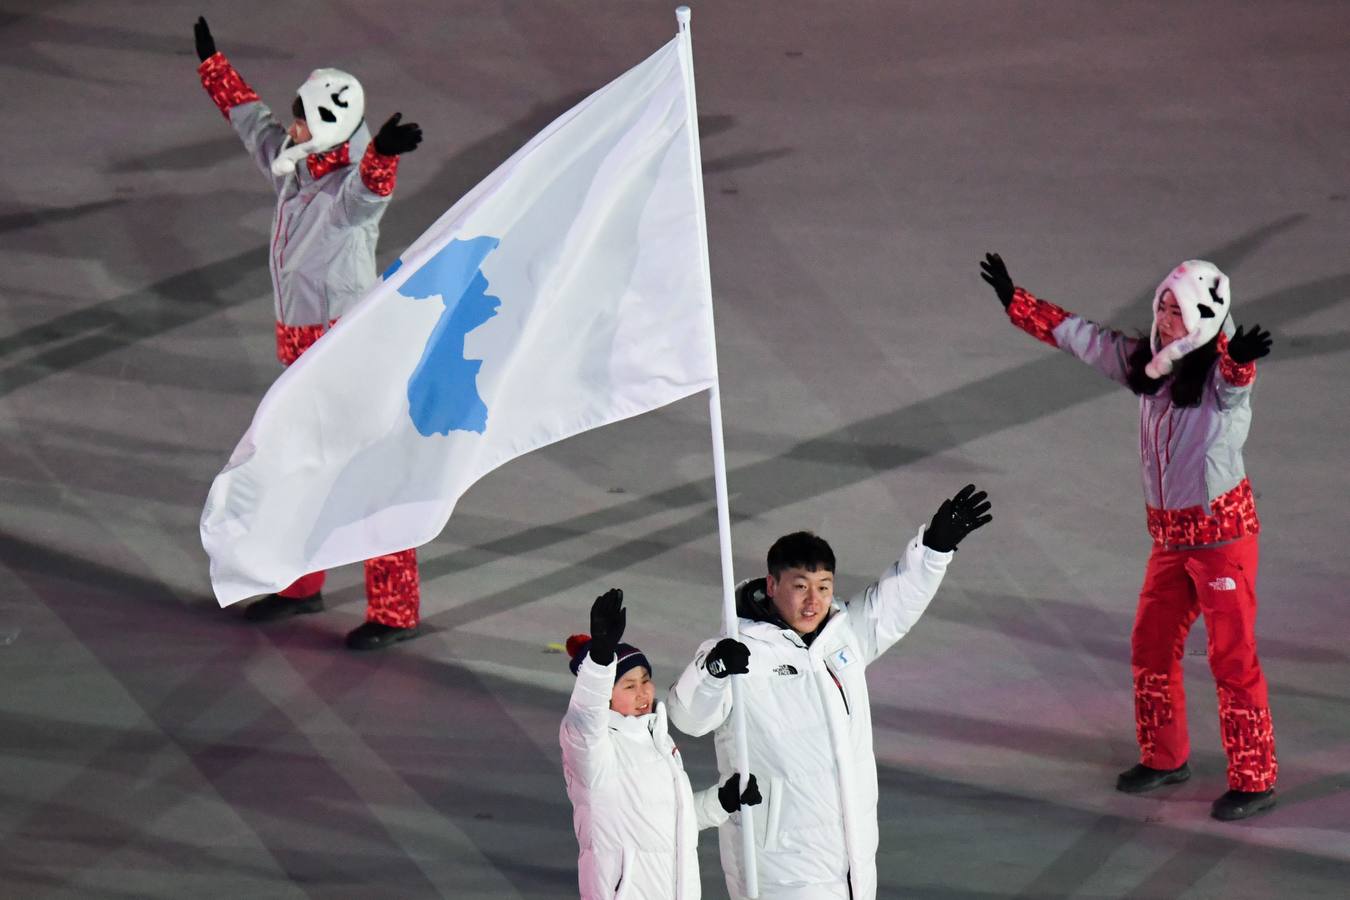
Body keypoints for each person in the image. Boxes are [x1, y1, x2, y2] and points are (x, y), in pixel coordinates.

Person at [980, 252, 1277, 821]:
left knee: (1231, 657)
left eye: (1179, 309)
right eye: (1162, 305)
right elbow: (1083, 338)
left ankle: (1255, 775)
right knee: (1150, 645)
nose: (1166, 318)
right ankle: (1164, 757)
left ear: (1203, 318)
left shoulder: (1217, 373)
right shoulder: (1148, 364)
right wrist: (1018, 302)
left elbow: (1237, 387)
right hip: (1170, 541)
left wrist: (1238, 362)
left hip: (1221, 538)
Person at [193, 16, 424, 650]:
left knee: (368, 470)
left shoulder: (346, 189)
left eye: (302, 117)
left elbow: (369, 195)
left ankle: (396, 609)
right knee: (298, 467)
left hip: (342, 348)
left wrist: (382, 156)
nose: (291, 126)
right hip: (300, 347)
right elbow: (254, 124)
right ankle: (301, 585)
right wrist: (215, 67)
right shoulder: (295, 164)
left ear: (327, 125)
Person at [667, 487, 992, 900]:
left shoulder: (842, 638)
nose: (813, 601)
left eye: (823, 587)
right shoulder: (739, 650)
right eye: (800, 586)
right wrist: (712, 671)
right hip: (780, 870)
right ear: (771, 584)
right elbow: (688, 718)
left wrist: (934, 548)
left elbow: (892, 605)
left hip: (853, 861)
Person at [561, 589, 762, 900]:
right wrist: (600, 659)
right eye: (629, 685)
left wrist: (721, 801)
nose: (643, 692)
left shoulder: (657, 739)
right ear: (606, 694)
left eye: (645, 679)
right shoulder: (592, 748)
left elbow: (670, 822)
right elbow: (585, 717)